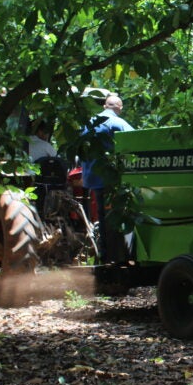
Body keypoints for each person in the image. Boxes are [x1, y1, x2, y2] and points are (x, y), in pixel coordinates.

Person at [81, 94, 134, 263]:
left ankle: (104, 256)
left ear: (104, 106)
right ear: (119, 108)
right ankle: (116, 258)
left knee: (102, 218)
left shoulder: (88, 124)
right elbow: (136, 141)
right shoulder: (117, 123)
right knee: (115, 219)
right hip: (112, 181)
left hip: (93, 179)